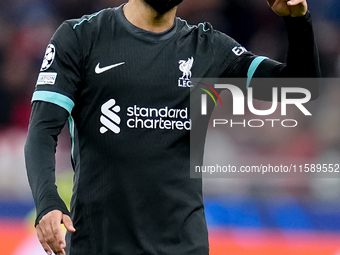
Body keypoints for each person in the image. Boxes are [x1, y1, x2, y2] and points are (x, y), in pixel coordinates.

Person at [24, 0, 320, 254]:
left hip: (182, 246)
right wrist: (48, 201)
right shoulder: (81, 37)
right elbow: (42, 131)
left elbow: (299, 91)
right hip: (100, 243)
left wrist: (297, 20)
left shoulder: (209, 48)